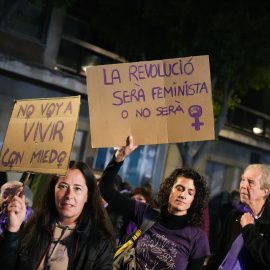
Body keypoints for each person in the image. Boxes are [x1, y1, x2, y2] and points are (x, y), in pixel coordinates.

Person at [99, 136, 210, 270]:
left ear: (194, 200)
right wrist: (120, 156)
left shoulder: (198, 239)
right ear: (170, 189)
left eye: (190, 192)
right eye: (179, 188)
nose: (183, 195)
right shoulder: (146, 213)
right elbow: (106, 190)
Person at [0, 160, 115, 270]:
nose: (69, 195)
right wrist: (12, 229)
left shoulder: (100, 241)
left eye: (77, 189)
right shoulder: (33, 226)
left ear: (87, 196)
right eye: (63, 186)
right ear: (53, 190)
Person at [204, 164, 270, 270]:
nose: (243, 185)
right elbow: (219, 253)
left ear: (265, 191)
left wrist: (248, 228)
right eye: (243, 179)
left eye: (250, 182)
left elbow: (267, 256)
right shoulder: (235, 214)